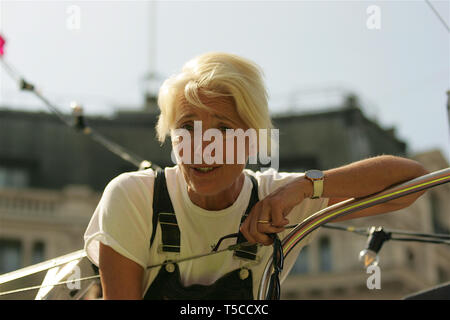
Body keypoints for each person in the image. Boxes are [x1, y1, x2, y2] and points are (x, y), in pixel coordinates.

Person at [83, 52, 428, 300]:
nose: (204, 146)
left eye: (223, 128)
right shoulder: (133, 197)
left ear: (251, 139)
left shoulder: (278, 199)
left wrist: (304, 188)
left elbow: (411, 183)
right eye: (187, 127)